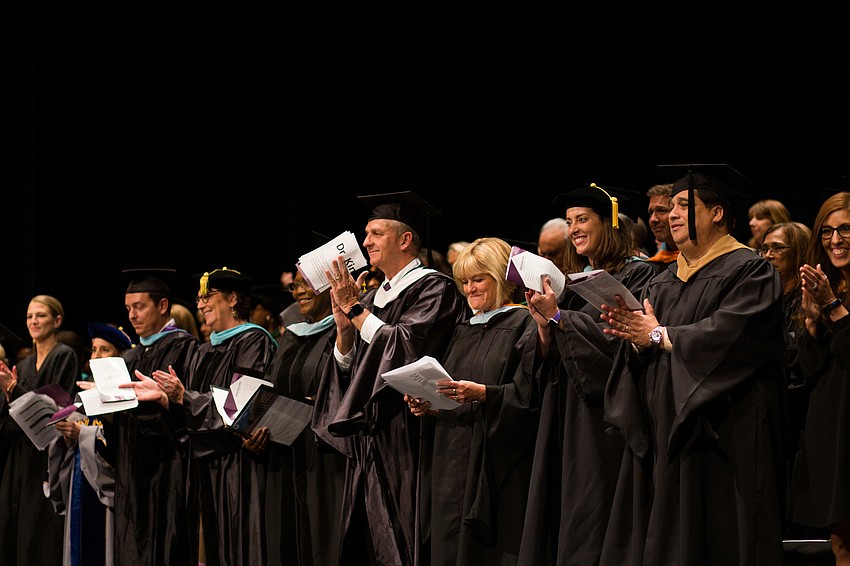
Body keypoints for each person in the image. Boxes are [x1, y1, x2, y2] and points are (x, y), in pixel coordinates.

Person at [599, 164, 787, 565]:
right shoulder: (663, 279)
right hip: (666, 430)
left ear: (716, 212)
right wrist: (632, 338)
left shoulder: (750, 270)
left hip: (724, 431)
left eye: (685, 205)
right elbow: (648, 336)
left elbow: (732, 334)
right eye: (671, 208)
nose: (672, 216)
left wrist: (658, 336)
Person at [312, 190, 469, 566]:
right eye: (366, 234)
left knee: (404, 537)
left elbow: (405, 349)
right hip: (371, 438)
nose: (365, 242)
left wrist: (355, 310)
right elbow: (351, 370)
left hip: (410, 433)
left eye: (375, 233)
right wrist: (344, 329)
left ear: (405, 239)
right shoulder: (368, 299)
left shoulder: (435, 288)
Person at [519, 184, 656, 566]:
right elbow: (552, 351)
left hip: (607, 416)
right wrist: (545, 325)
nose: (574, 229)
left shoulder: (642, 275)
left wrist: (562, 318)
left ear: (609, 224)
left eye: (583, 220)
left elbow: (620, 342)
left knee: (597, 512)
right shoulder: (574, 282)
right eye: (569, 222)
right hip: (566, 409)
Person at [406, 236, 538, 565]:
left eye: (479, 279)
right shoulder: (462, 329)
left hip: (494, 457)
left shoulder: (523, 324)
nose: (470, 289)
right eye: (465, 281)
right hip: (449, 453)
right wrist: (429, 404)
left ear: (502, 279)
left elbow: (531, 395)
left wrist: (484, 394)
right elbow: (448, 388)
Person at [156, 267, 278, 566]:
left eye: (208, 296)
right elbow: (189, 412)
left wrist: (185, 397)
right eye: (198, 298)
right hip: (206, 465)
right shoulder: (202, 350)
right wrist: (167, 400)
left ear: (233, 299)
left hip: (240, 464)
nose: (200, 304)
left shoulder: (253, 341)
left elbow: (242, 404)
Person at [99, 268, 199, 566]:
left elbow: (188, 412)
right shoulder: (127, 358)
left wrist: (167, 401)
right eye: (128, 308)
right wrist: (102, 405)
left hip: (167, 471)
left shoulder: (185, 348)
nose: (132, 315)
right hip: (131, 473)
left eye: (139, 307)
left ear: (163, 306)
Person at [264, 269, 344, 566]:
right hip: (284, 453)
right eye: (296, 285)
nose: (299, 291)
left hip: (324, 456)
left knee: (323, 541)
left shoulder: (344, 332)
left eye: (307, 283)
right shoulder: (291, 336)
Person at [789, 191, 850, 565]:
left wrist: (833, 308)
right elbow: (805, 372)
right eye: (826, 231)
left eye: (845, 229)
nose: (835, 240)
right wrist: (811, 324)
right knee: (841, 541)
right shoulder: (825, 287)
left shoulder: (831, 296)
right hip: (831, 426)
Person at [47, 322, 134, 566]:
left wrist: (82, 432)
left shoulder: (125, 398)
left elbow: (116, 444)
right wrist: (67, 434)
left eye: (104, 350)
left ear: (120, 356)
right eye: (94, 350)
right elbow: (73, 440)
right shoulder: (85, 395)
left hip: (105, 488)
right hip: (80, 479)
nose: (96, 357)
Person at [0, 294, 77, 565]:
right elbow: (11, 421)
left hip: (45, 457)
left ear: (57, 321)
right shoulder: (21, 365)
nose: (34, 321)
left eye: (40, 315)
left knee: (39, 536)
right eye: (30, 316)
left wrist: (14, 389)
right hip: (19, 458)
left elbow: (55, 411)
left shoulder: (63, 356)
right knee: (15, 529)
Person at [644, 182, 680, 270]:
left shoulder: (699, 260)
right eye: (651, 212)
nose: (653, 219)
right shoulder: (652, 266)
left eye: (662, 210)